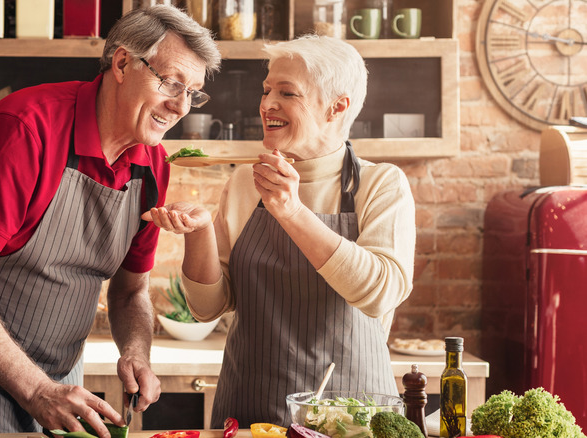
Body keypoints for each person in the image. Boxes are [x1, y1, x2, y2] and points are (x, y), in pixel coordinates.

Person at [0, 6, 221, 435]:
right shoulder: (25, 128)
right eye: (171, 83)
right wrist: (36, 390)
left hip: (59, 372)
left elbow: (130, 293)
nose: (180, 106)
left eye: (193, 92)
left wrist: (136, 352)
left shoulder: (153, 165)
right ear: (123, 63)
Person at [143, 35, 416, 428]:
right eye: (267, 89)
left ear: (336, 107)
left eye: (287, 93)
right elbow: (208, 307)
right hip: (251, 411)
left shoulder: (381, 185)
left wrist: (291, 211)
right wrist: (199, 232)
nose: (267, 103)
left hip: (349, 419)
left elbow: (381, 292)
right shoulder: (243, 183)